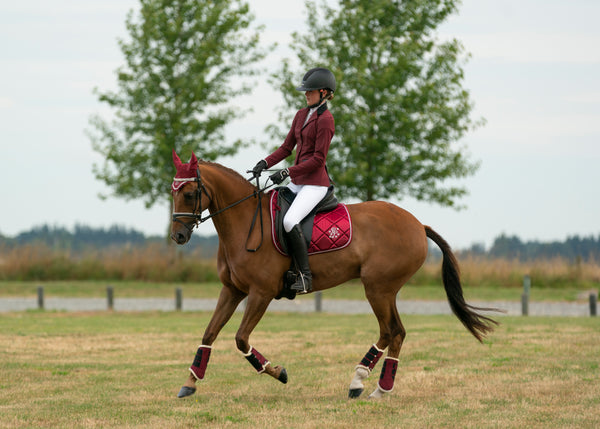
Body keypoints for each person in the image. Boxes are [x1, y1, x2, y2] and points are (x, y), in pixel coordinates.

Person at [251, 67, 336, 294]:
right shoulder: (301, 115)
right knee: (272, 212)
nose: (306, 94)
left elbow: (318, 159)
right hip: (298, 181)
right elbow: (287, 147)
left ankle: (305, 276)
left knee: (289, 221)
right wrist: (265, 163)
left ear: (324, 93)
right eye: (305, 91)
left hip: (315, 184)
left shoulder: (326, 120)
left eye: (310, 91)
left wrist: (287, 172)